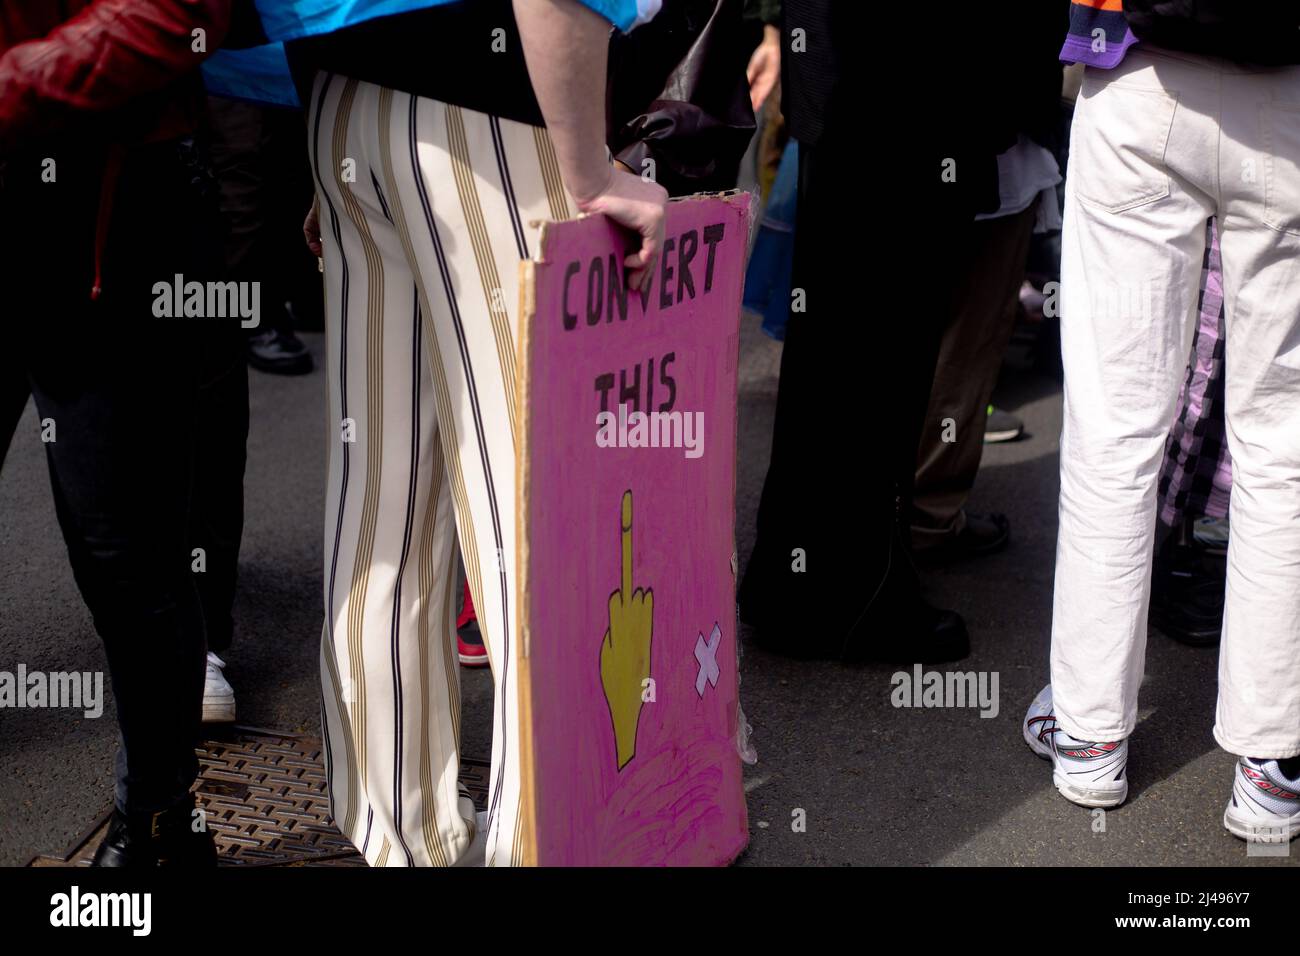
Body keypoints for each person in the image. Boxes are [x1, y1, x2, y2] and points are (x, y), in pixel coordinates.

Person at [287, 0, 668, 866]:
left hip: (346, 107)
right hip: (493, 112)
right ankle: (547, 842)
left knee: (379, 506)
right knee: (530, 510)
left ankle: (394, 835)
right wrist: (592, 171)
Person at [1024, 0, 1300, 842]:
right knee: (1283, 440)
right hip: (1291, 91)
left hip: (1138, 71)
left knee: (1114, 427)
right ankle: (1271, 763)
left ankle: (1090, 730)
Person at [0, 0, 248, 866]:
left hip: (109, 228)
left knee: (127, 558)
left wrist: (13, 85)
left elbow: (184, 14)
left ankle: (158, 826)